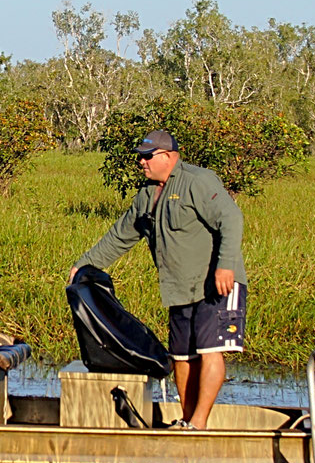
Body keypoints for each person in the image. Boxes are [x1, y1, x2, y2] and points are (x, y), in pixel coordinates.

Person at [70, 130, 245, 429]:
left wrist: (225, 266)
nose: (141, 162)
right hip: (179, 288)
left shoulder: (198, 181)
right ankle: (187, 420)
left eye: (147, 156)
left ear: (168, 156)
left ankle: (199, 425)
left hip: (215, 284)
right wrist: (85, 265)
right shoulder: (147, 195)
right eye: (140, 156)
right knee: (181, 357)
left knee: (209, 352)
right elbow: (121, 235)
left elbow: (230, 219)